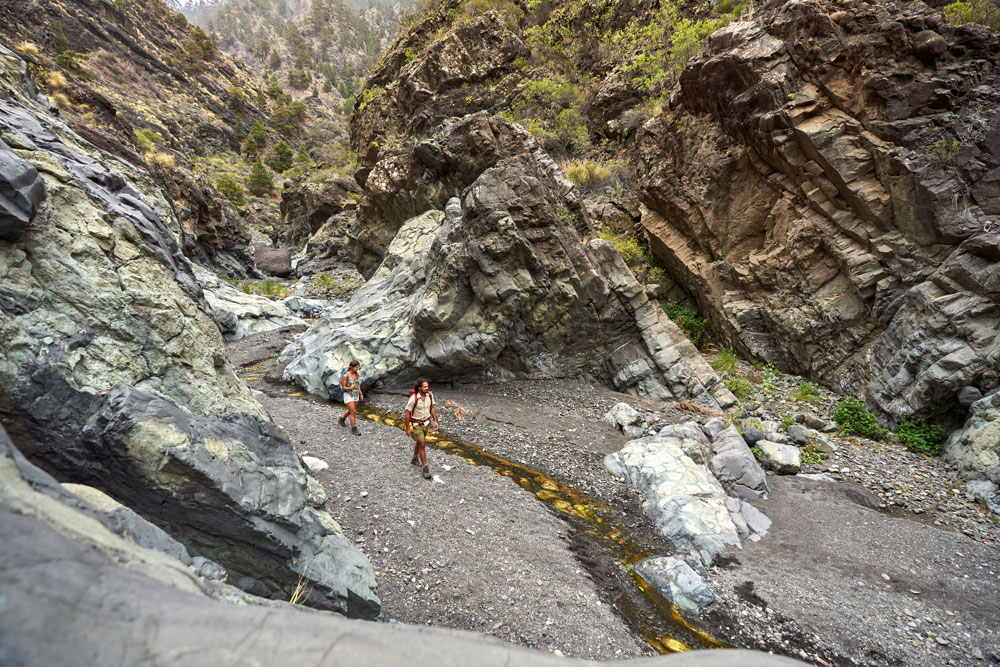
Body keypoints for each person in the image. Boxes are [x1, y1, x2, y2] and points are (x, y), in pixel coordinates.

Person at [405, 379, 438, 480]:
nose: (427, 388)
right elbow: (407, 413)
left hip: (426, 423)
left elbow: (432, 408)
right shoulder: (413, 398)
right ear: (419, 388)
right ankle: (425, 468)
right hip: (416, 424)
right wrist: (407, 428)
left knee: (420, 442)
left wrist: (435, 420)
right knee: (422, 444)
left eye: (427, 386)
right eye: (424, 387)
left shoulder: (430, 396)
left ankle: (415, 459)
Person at [338, 360, 364, 435]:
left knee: (351, 411)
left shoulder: (357, 374)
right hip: (348, 395)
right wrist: (350, 388)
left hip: (355, 394)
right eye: (356, 367)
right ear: (351, 367)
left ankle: (341, 419)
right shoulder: (345, 375)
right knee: (353, 412)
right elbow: (343, 387)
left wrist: (361, 393)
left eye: (358, 367)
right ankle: (354, 429)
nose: (357, 369)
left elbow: (358, 384)